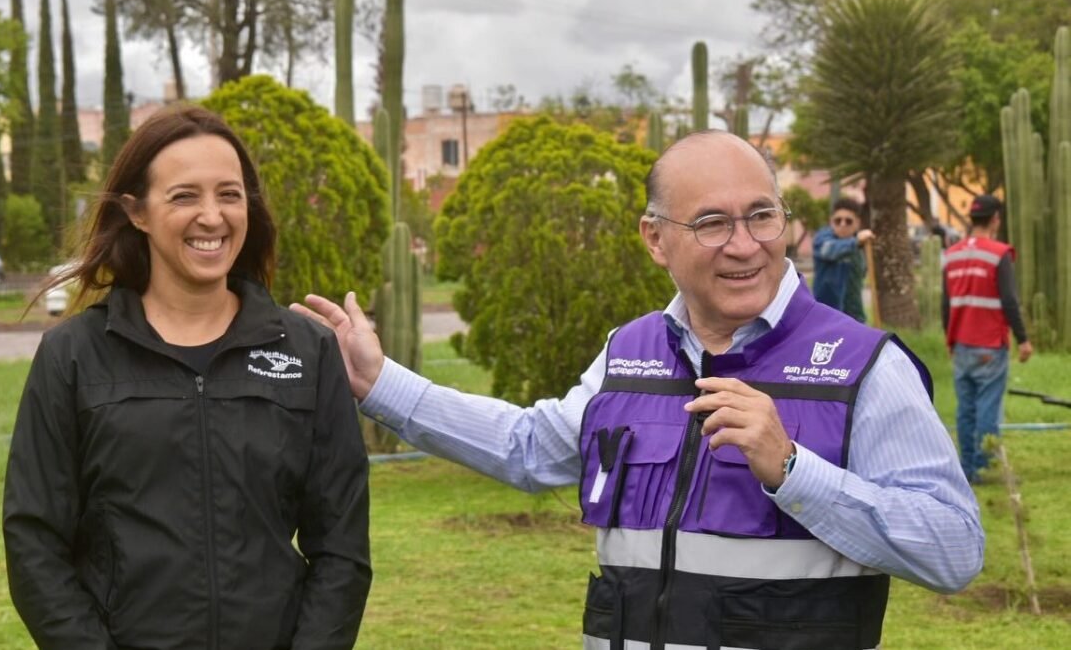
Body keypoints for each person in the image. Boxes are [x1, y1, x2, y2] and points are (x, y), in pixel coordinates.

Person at [295, 131, 982, 649]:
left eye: (762, 216)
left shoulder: (863, 366)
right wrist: (378, 382)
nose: (745, 244)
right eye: (712, 223)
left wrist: (795, 469)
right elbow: (530, 447)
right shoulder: (630, 351)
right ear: (655, 239)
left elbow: (953, 548)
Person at [3, 105, 372, 649]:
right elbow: (34, 542)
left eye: (229, 194)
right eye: (184, 196)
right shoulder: (74, 355)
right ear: (137, 212)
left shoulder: (307, 351)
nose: (212, 216)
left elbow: (342, 548)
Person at [942, 194, 1032, 484]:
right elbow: (1009, 300)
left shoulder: (952, 254)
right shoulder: (998, 253)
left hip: (961, 344)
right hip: (990, 345)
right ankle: (983, 467)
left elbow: (946, 303)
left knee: (965, 409)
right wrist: (1023, 339)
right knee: (987, 409)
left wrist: (949, 340)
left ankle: (966, 467)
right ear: (995, 219)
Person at [812, 198, 874, 323]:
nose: (842, 224)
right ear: (831, 221)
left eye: (848, 221)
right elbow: (829, 251)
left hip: (854, 316)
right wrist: (856, 242)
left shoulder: (859, 246)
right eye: (838, 220)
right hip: (826, 316)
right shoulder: (822, 239)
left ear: (857, 223)